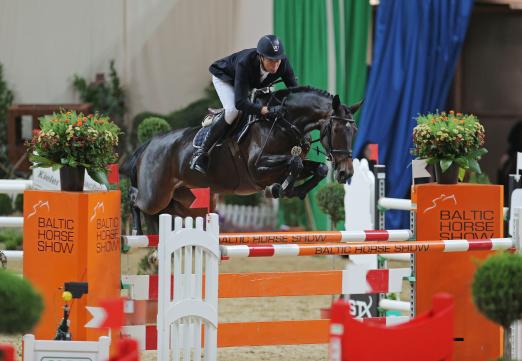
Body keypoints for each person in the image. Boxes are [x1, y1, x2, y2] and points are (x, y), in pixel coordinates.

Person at [190, 34, 298, 175]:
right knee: (232, 110)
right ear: (260, 57)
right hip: (225, 78)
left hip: (247, 83)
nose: (276, 65)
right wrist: (264, 110)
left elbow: (296, 92)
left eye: (278, 60)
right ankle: (200, 153)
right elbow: (240, 102)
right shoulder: (245, 63)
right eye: (271, 61)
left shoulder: (283, 63)